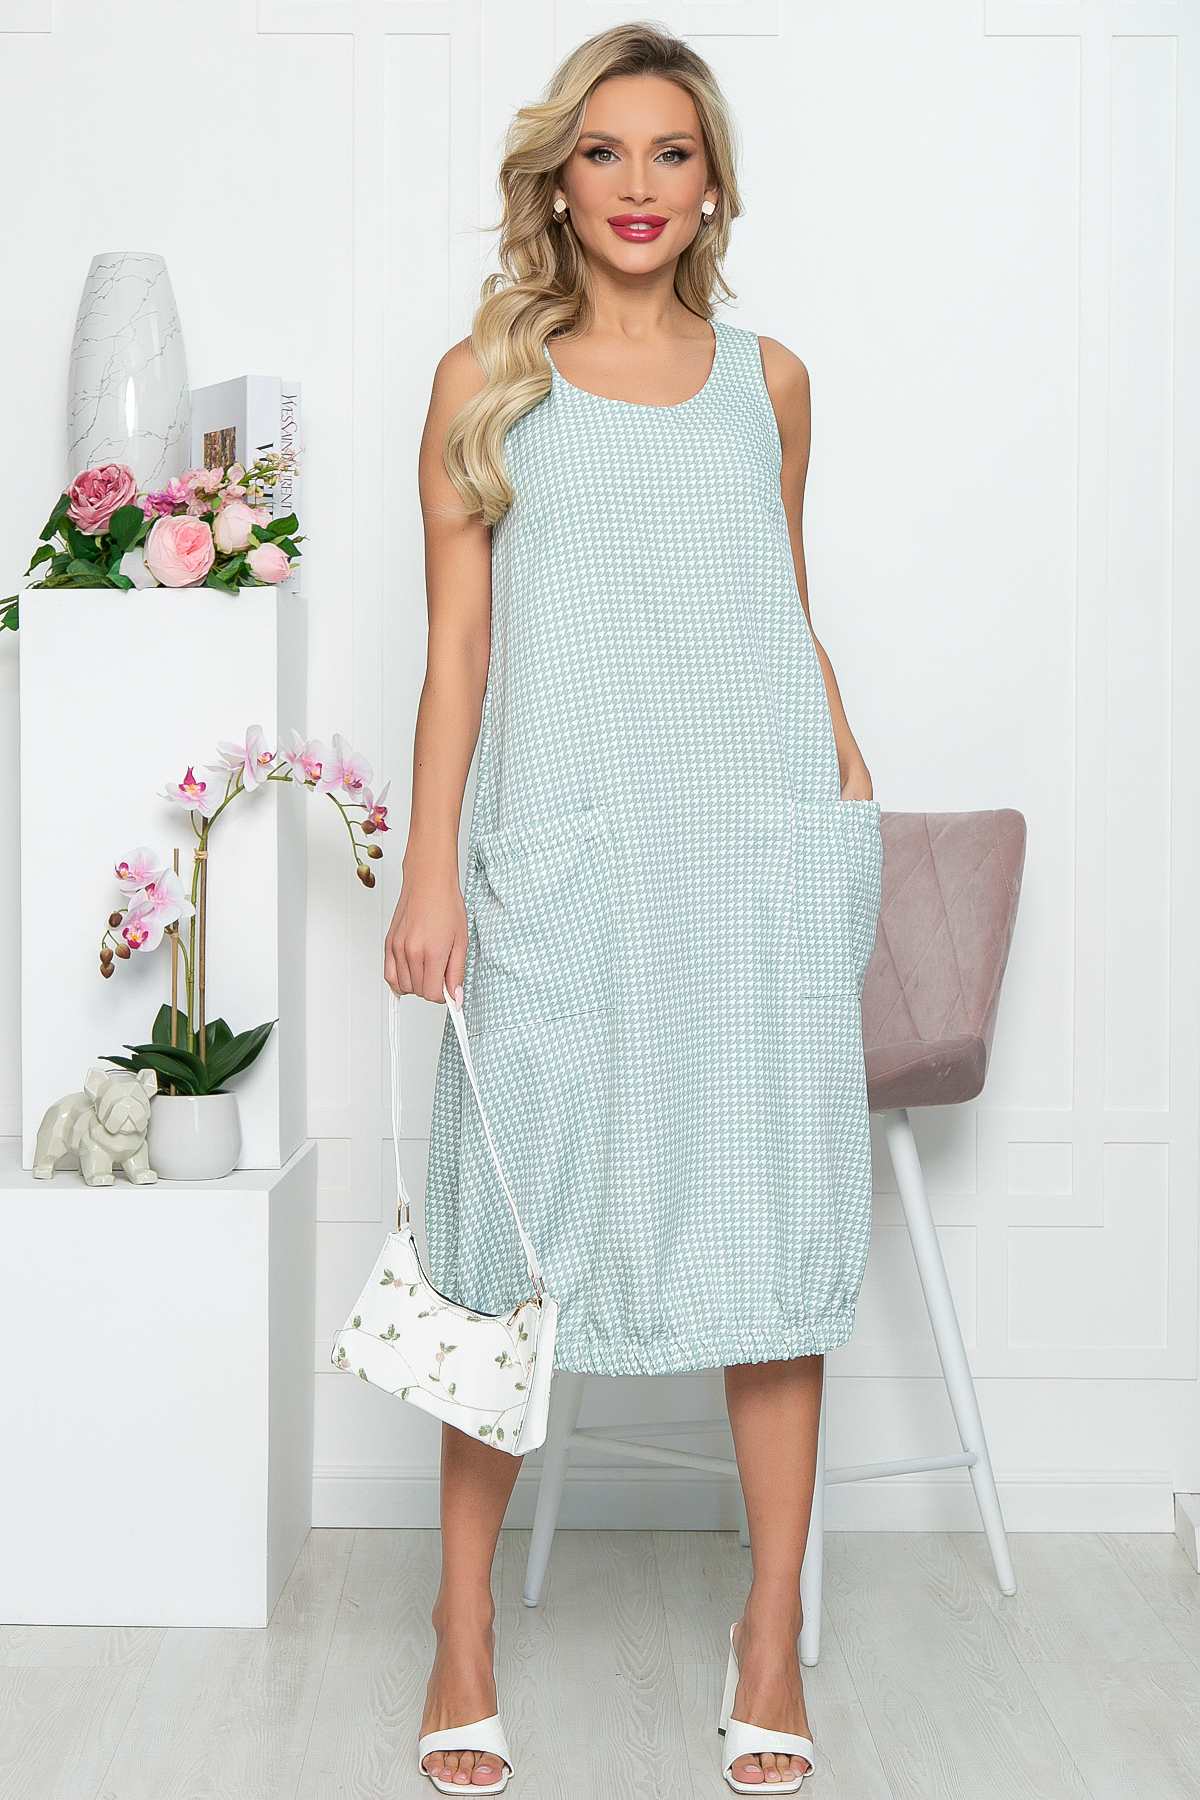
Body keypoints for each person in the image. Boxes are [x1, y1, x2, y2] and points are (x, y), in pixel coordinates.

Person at [384, 20, 883, 1795]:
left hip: (757, 857)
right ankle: (460, 1629)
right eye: (605, 151)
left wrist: (844, 802)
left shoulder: (774, 382)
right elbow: (459, 650)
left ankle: (771, 1637)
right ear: (559, 180)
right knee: (507, 1248)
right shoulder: (484, 379)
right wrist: (432, 865)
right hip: (563, 857)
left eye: (673, 152)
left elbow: (781, 608)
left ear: (715, 183)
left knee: (771, 1236)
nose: (640, 185)